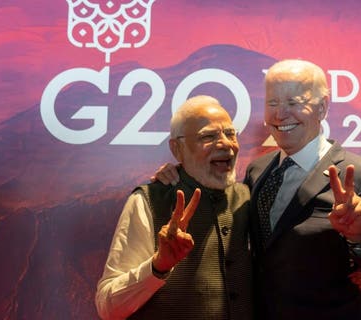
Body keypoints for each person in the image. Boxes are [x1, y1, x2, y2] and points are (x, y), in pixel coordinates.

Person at [154, 59, 361, 319]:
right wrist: (180, 172)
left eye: (294, 102)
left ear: (322, 107)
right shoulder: (257, 170)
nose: (280, 114)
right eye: (273, 103)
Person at [95, 95, 253, 319]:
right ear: (177, 149)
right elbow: (108, 307)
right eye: (208, 136)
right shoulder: (149, 201)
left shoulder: (248, 197)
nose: (226, 144)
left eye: (230, 134)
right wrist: (158, 266)